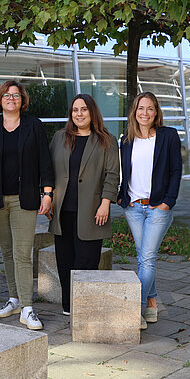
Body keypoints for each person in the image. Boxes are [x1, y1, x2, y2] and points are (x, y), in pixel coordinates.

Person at [0, 81, 54, 330]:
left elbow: (45, 161)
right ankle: (13, 299)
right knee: (7, 251)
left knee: (23, 254)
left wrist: (47, 193)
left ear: (22, 100)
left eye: (16, 95)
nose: (11, 98)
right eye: (6, 95)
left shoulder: (33, 126)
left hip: (25, 200)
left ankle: (27, 308)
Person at [49, 94, 120, 315]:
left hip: (91, 210)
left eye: (84, 110)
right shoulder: (60, 138)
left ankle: (85, 305)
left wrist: (105, 203)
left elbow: (112, 174)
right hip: (62, 210)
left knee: (87, 260)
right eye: (75, 110)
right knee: (64, 261)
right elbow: (48, 171)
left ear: (92, 112)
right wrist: (48, 197)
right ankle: (69, 305)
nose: (79, 114)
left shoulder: (106, 140)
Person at [117, 92, 182, 329]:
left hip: (157, 208)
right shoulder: (126, 140)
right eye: (140, 108)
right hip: (134, 208)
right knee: (143, 257)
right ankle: (152, 301)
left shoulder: (168, 136)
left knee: (147, 259)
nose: (145, 113)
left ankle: (137, 310)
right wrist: (121, 197)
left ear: (156, 113)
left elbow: (176, 170)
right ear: (134, 112)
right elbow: (122, 172)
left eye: (150, 109)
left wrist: (168, 201)